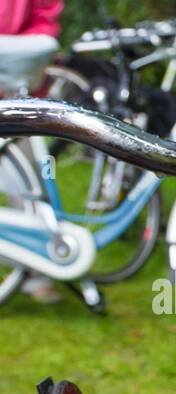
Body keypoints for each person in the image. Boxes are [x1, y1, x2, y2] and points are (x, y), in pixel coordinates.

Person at [0, 0, 64, 303]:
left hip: (19, 91)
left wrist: (18, 57)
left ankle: (37, 269)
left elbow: (46, 22)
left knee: (31, 183)